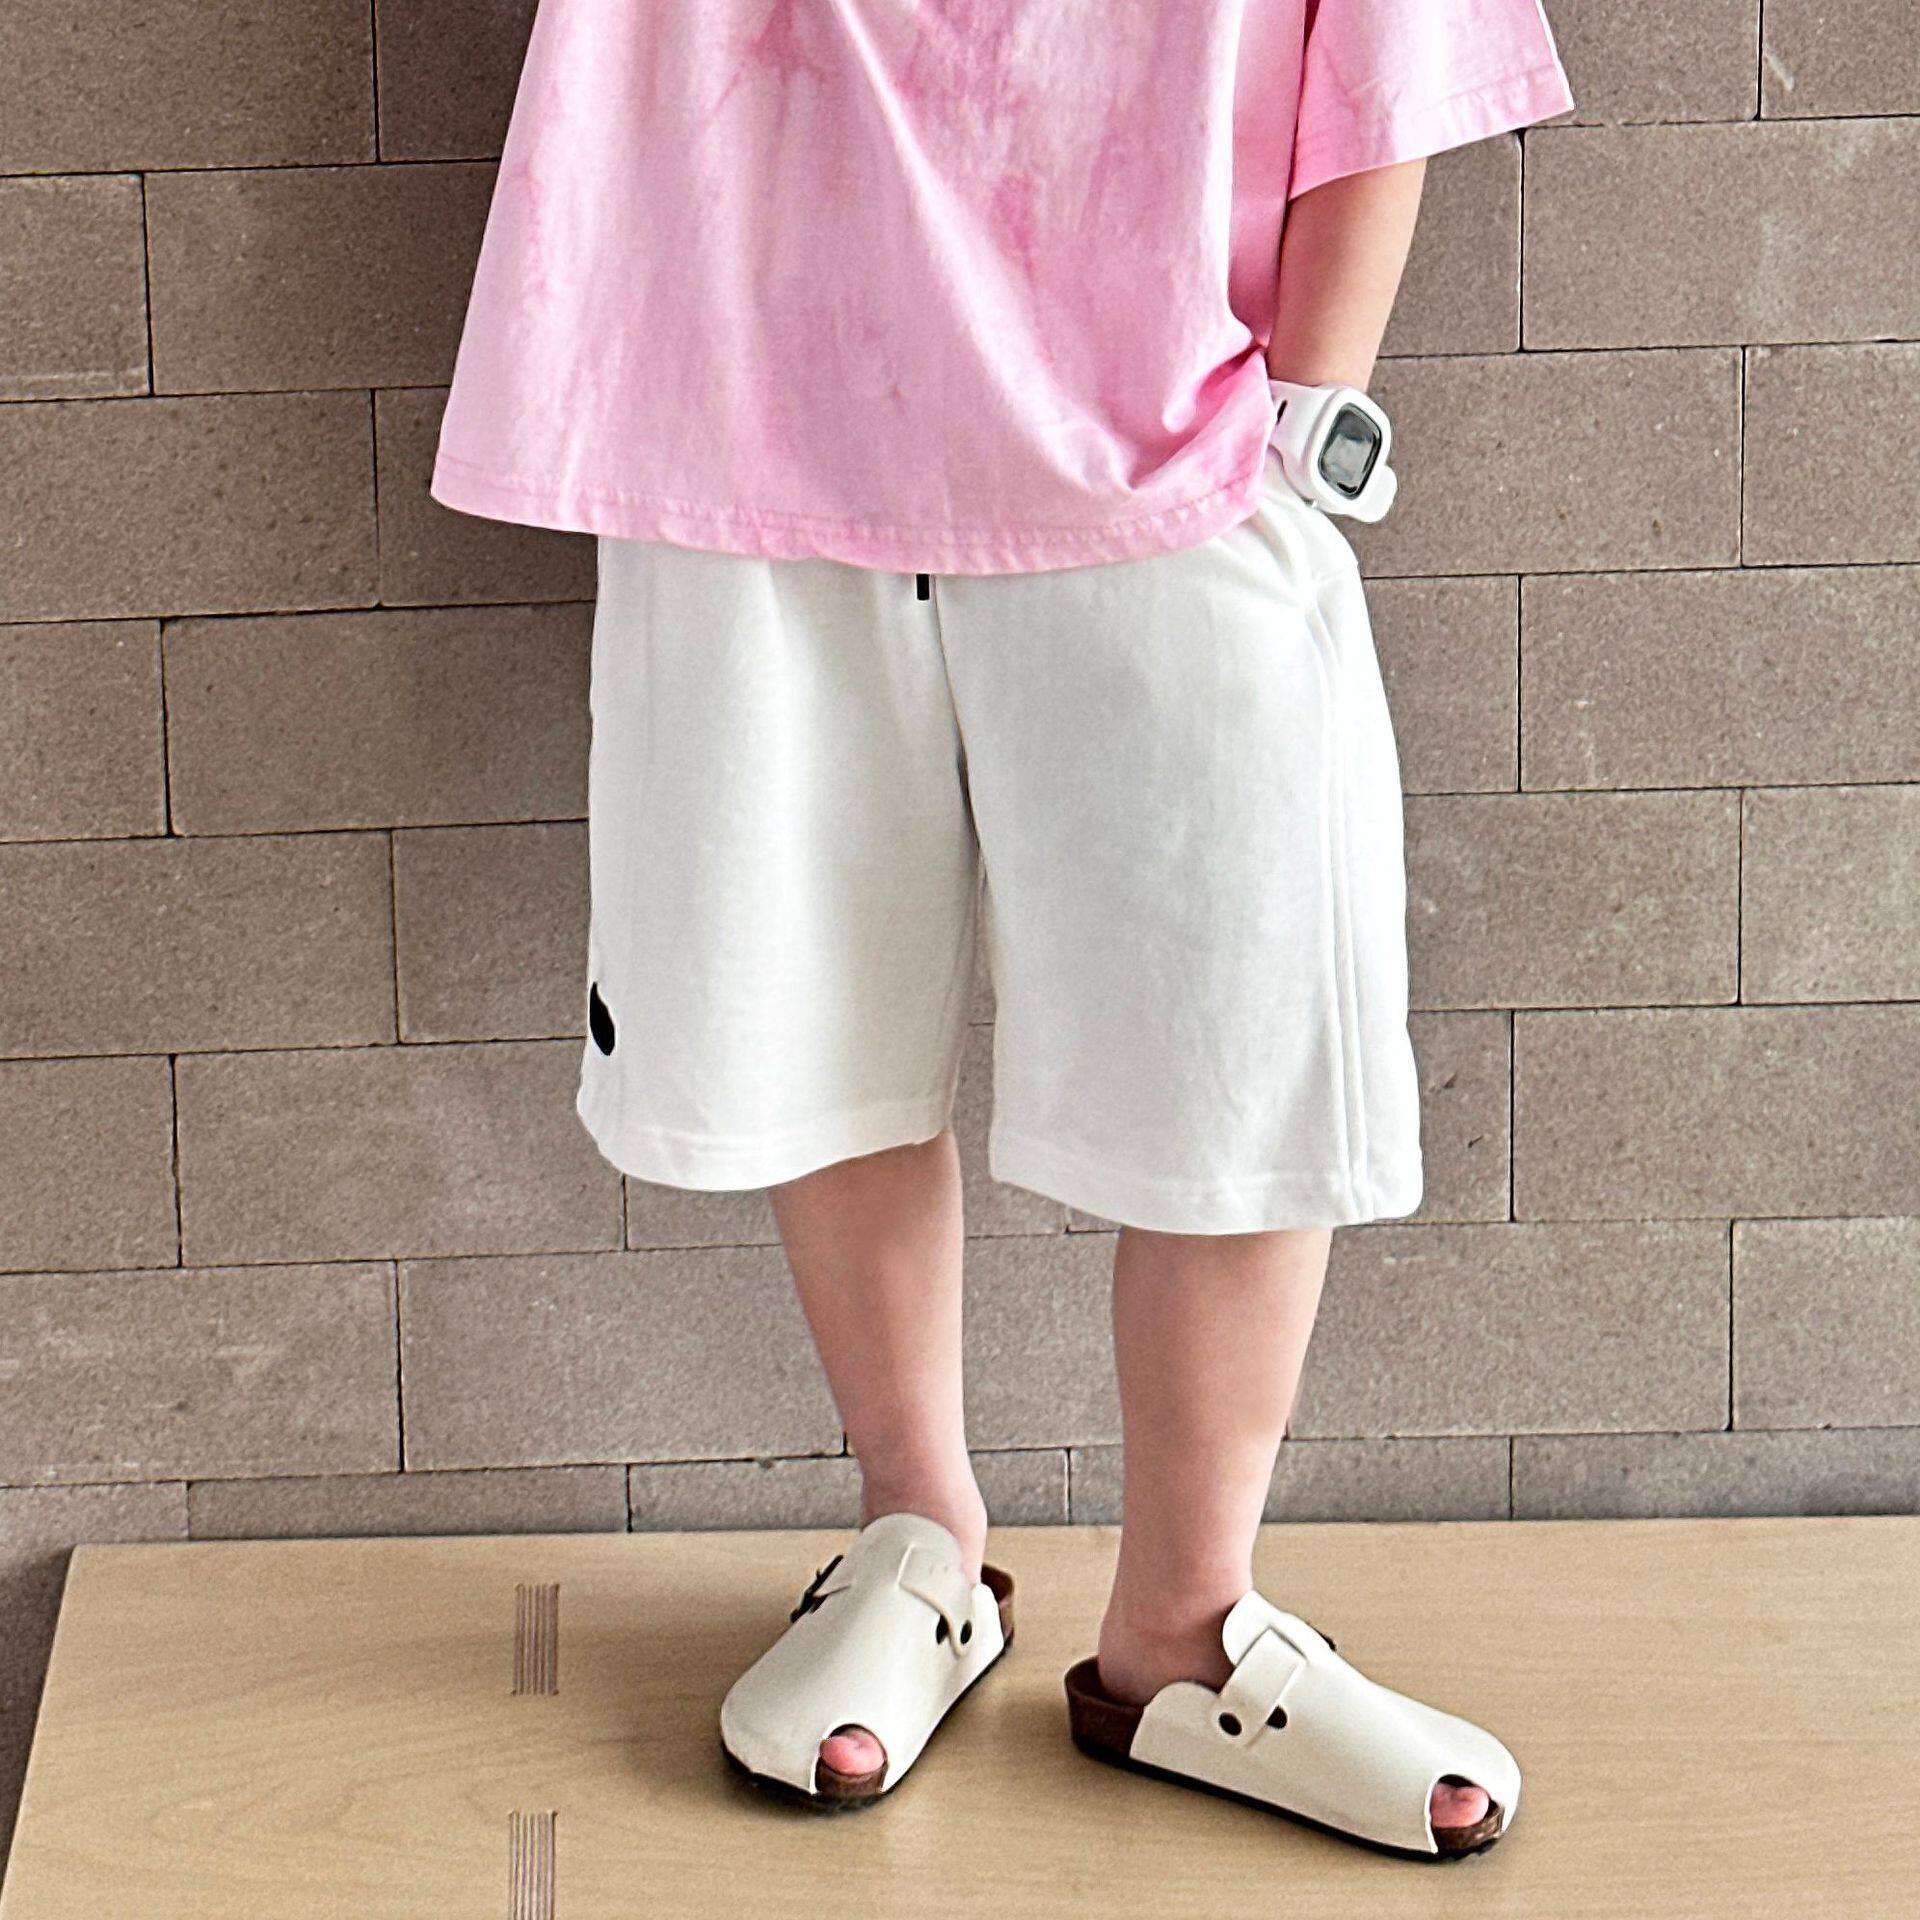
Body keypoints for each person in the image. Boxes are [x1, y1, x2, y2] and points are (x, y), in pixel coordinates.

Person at [433, 0, 1573, 1861]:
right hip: (753, 384)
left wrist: (1309, 411)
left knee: (1242, 1025)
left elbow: (1394, 42)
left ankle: (1185, 1626)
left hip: (1177, 424)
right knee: (804, 997)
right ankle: (919, 1539)